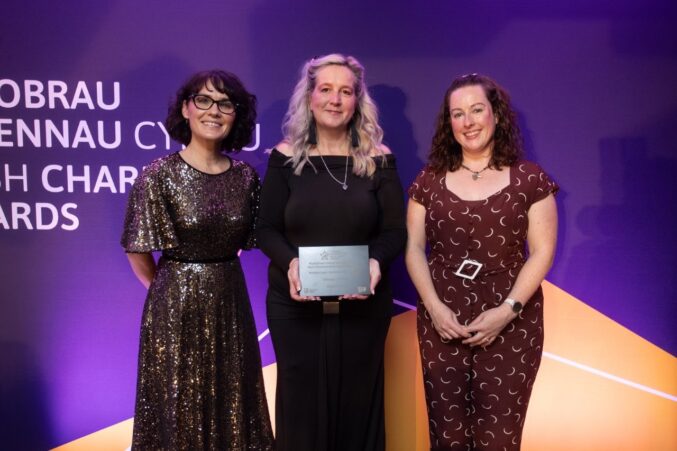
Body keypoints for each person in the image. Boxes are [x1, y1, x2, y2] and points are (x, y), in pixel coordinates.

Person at [257, 54, 406, 451]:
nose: (335, 100)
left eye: (346, 91)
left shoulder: (379, 158)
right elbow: (265, 228)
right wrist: (290, 262)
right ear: (309, 98)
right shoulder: (284, 157)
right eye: (326, 89)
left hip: (364, 307)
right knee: (301, 415)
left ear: (358, 101)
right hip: (294, 310)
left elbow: (395, 230)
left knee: (359, 409)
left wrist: (375, 262)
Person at [121, 70, 273, 450]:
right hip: (175, 306)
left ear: (236, 115)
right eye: (203, 100)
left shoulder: (245, 178)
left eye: (225, 104)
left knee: (233, 401)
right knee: (178, 407)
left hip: (230, 301)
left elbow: (253, 237)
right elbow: (137, 249)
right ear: (186, 109)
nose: (214, 111)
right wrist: (168, 291)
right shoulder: (158, 175)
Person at [405, 73, 558, 450]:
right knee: (448, 437)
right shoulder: (428, 181)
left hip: (511, 323)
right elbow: (412, 248)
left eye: (476, 110)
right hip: (443, 322)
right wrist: (435, 309)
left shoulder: (530, 179)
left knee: (499, 440)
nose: (468, 122)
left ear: (496, 116)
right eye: (457, 114)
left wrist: (506, 311)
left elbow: (541, 252)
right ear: (449, 123)